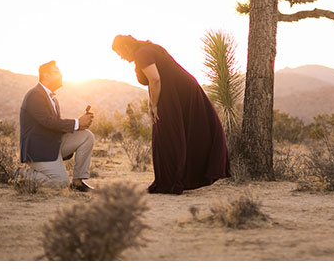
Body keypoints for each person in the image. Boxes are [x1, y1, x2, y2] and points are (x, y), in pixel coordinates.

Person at [110, 35, 230, 193]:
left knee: (166, 134)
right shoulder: (148, 49)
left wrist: (154, 105)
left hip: (178, 93)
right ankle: (175, 180)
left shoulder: (142, 53)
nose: (121, 57)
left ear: (126, 46)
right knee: (172, 133)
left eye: (120, 52)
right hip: (179, 91)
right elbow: (156, 81)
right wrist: (151, 101)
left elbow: (155, 80)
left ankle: (171, 182)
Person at [17, 60, 97, 191]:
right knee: (61, 183)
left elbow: (55, 125)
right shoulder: (34, 95)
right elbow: (48, 122)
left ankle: (78, 182)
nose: (61, 75)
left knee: (86, 136)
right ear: (46, 75)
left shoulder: (52, 98)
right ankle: (21, 175)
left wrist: (80, 125)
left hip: (52, 145)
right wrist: (77, 122)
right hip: (39, 151)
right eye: (57, 72)